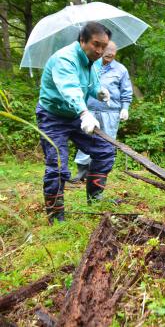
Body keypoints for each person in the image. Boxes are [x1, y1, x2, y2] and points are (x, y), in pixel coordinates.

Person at [37, 22, 116, 224]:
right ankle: (56, 219)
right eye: (95, 44)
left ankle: (95, 200)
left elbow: (89, 84)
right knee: (58, 165)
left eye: (103, 46)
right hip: (53, 117)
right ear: (82, 41)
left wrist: (98, 91)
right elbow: (70, 88)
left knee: (105, 150)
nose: (99, 51)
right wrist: (84, 113)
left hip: (75, 115)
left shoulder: (94, 60)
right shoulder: (65, 59)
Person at [71, 41, 132, 182]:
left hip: (111, 113)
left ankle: (99, 175)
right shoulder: (90, 65)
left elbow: (126, 91)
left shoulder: (121, 69)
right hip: (89, 111)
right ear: (100, 50)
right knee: (85, 140)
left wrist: (125, 108)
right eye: (108, 50)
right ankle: (82, 173)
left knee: (107, 142)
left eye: (114, 50)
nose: (111, 53)